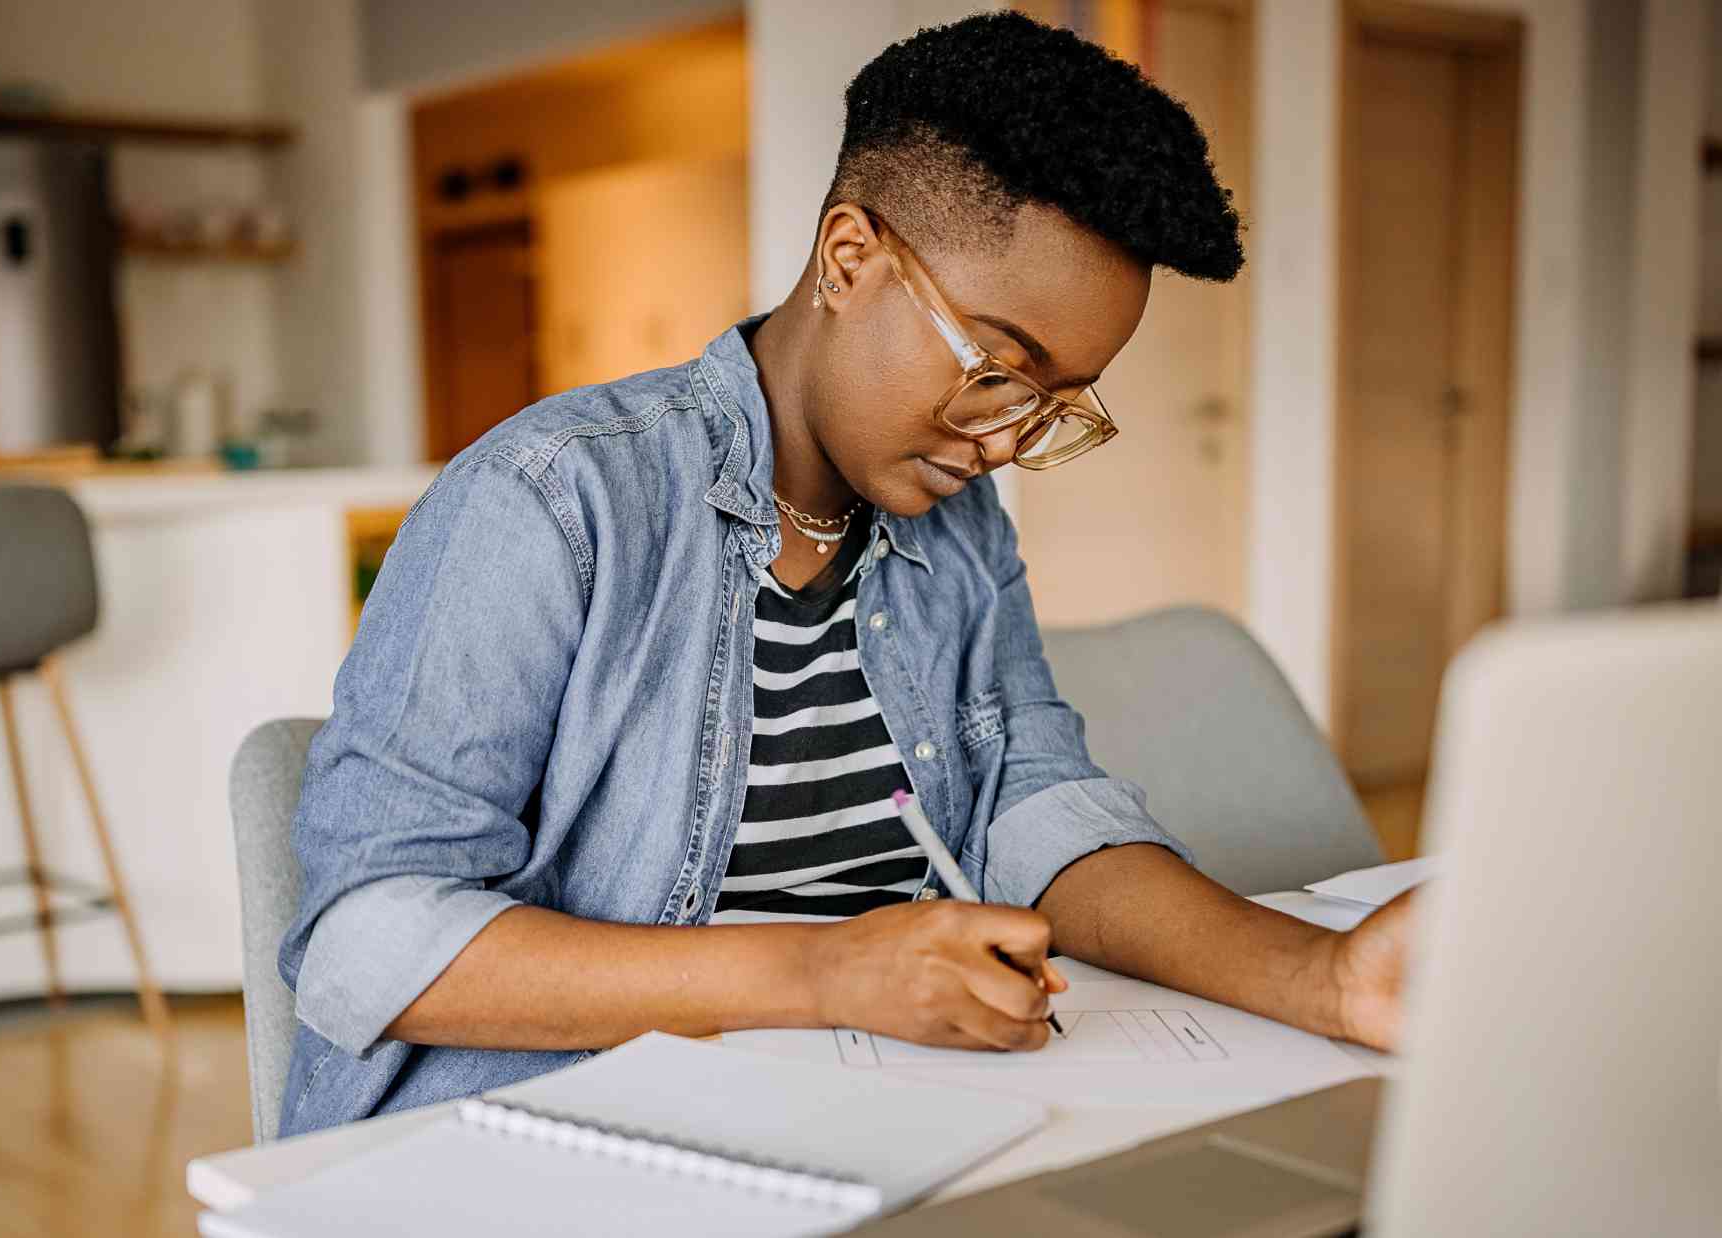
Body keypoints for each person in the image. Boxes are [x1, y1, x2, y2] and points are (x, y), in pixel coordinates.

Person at [273, 11, 1412, 1137]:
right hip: (560, 1135)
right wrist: (821, 972)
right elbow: (365, 941)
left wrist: (1320, 976)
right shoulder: (553, 500)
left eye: (1057, 403)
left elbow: (1036, 805)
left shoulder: (957, 521)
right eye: (999, 370)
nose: (1009, 440)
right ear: (848, 257)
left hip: (878, 1109)